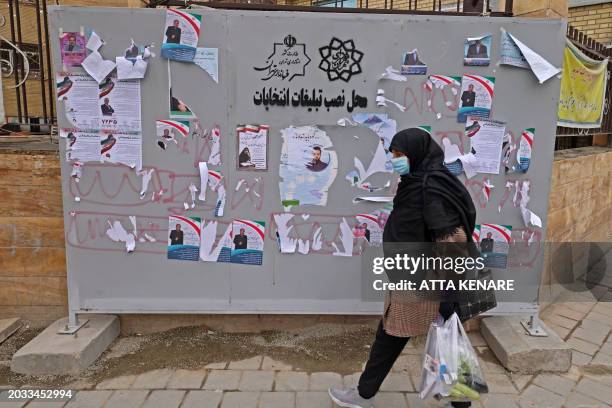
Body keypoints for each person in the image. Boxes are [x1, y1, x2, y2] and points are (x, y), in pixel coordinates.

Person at [328, 128, 478, 408]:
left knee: (394, 332)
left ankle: (364, 394)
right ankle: (459, 403)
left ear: (417, 154)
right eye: (393, 154)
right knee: (431, 335)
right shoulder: (418, 181)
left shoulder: (429, 187)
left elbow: (453, 240)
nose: (395, 160)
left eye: (400, 155)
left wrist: (448, 292)